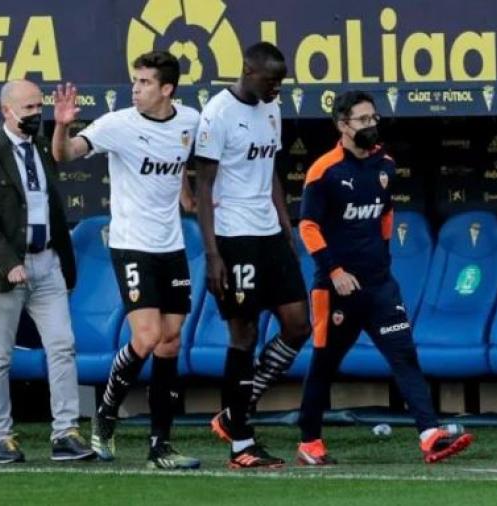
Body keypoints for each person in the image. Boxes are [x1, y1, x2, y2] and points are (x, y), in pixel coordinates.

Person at [295, 90, 474, 465]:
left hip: (379, 286)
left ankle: (429, 435)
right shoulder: (323, 171)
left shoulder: (385, 165)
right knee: (324, 363)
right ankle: (309, 441)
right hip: (336, 289)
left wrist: (382, 257)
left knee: (404, 354)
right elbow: (308, 226)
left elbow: (386, 214)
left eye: (373, 118)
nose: (371, 125)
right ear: (343, 125)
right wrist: (336, 271)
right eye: (362, 120)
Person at [52, 51, 201, 469]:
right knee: (148, 336)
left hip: (171, 245)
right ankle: (105, 418)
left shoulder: (190, 121)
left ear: (167, 89)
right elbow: (64, 155)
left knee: (171, 340)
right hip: (132, 243)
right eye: (134, 81)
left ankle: (160, 446)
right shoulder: (118, 124)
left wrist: (187, 196)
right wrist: (62, 126)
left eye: (145, 82)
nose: (135, 88)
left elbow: (181, 164)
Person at [192, 42, 309, 469]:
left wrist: (286, 223)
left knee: (298, 325)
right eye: (271, 80)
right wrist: (212, 254)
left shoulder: (270, 108)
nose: (277, 88)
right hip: (233, 236)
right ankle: (241, 442)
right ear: (248, 71)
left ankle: (234, 409)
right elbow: (204, 187)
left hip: (268, 233)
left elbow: (271, 169)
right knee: (243, 337)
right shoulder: (217, 114)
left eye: (280, 82)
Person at [0, 79, 94, 465]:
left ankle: (65, 432)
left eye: (39, 107)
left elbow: (62, 155)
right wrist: (10, 262)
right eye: (28, 109)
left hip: (48, 261)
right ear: (6, 110)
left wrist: (61, 124)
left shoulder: (42, 145)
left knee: (62, 345)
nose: (35, 114)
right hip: (5, 269)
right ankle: (1, 436)